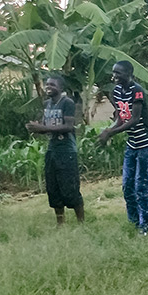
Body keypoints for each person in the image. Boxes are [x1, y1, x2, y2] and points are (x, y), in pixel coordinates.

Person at [98, 61, 148, 235]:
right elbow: (121, 117)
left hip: (145, 142)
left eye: (119, 73)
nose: (114, 76)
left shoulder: (137, 91)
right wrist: (109, 130)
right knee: (127, 185)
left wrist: (111, 133)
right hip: (132, 143)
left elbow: (134, 120)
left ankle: (147, 223)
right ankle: (133, 220)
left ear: (129, 73)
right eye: (114, 72)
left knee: (141, 185)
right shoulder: (116, 91)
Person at [26, 75, 84, 225]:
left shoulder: (67, 103)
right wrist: (36, 128)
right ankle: (60, 222)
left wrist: (43, 128)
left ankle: (81, 221)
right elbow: (47, 126)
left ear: (61, 88)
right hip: (52, 150)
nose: (48, 87)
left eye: (52, 84)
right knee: (53, 187)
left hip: (66, 151)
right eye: (47, 84)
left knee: (70, 186)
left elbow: (69, 126)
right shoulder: (47, 104)